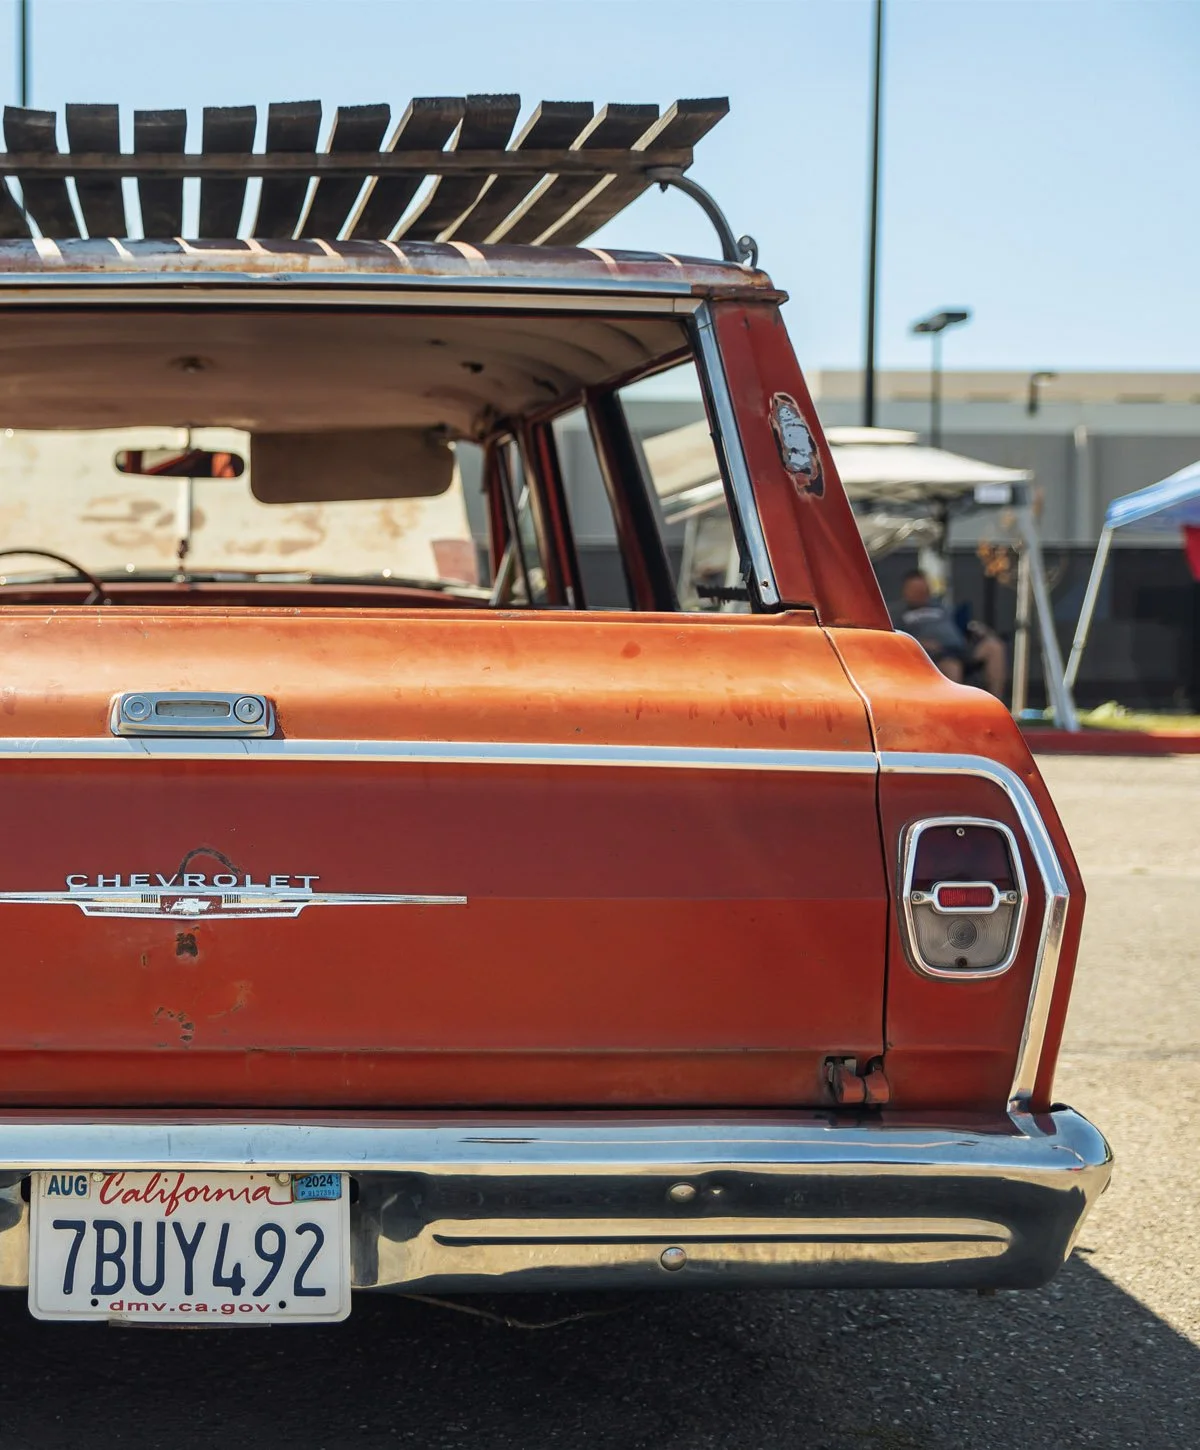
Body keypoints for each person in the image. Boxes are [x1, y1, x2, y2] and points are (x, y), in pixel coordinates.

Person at [893, 569, 1007, 697]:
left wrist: (976, 628)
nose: (922, 593)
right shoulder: (900, 615)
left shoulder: (942, 607)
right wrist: (921, 642)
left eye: (924, 589)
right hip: (935, 655)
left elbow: (963, 624)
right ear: (906, 591)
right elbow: (898, 639)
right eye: (916, 590)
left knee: (995, 647)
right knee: (953, 666)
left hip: (961, 648)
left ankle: (997, 705)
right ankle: (956, 711)